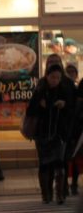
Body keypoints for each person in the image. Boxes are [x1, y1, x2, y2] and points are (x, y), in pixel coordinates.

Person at [28, 64, 74, 204]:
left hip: (59, 133)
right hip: (42, 134)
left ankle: (59, 194)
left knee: (59, 164)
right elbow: (30, 111)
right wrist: (40, 106)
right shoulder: (40, 90)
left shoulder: (64, 91)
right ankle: (46, 194)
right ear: (47, 76)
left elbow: (71, 110)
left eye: (58, 77)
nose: (55, 80)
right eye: (53, 77)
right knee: (44, 164)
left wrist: (64, 105)